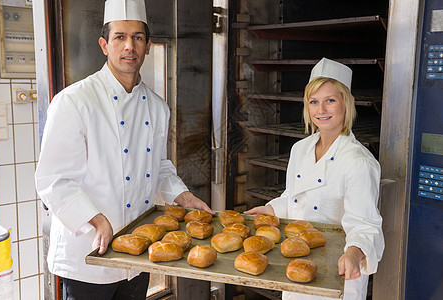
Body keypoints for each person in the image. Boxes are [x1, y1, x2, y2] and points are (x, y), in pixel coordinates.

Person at [35, 0, 213, 299]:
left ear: (148, 46)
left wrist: (181, 195)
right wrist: (96, 218)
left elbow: (158, 166)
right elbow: (53, 178)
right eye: (120, 37)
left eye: (138, 38)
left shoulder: (157, 108)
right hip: (88, 257)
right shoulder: (74, 102)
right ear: (105, 45)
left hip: (137, 255)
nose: (129, 45)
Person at [245, 58, 385, 300]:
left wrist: (354, 253)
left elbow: (365, 223)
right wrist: (271, 209)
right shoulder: (300, 148)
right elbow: (294, 196)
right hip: (296, 261)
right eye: (314, 102)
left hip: (336, 268)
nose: (321, 110)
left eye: (330, 100)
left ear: (347, 103)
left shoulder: (358, 161)